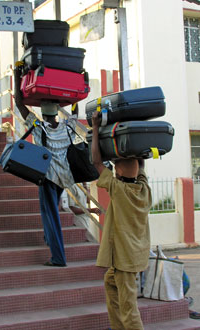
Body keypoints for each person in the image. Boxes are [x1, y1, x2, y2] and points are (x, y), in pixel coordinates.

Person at [91, 111, 152, 330]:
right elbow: (141, 166)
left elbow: (96, 161)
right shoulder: (143, 189)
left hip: (125, 259)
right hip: (134, 255)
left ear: (117, 170)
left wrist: (96, 127)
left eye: (116, 164)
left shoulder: (118, 189)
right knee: (110, 283)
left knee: (128, 306)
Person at [14, 64, 79, 267]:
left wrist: (16, 76)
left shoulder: (38, 126)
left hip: (48, 176)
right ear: (57, 112)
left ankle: (58, 257)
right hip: (65, 177)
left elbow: (19, 103)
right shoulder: (68, 126)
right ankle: (49, 238)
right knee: (52, 209)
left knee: (50, 213)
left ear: (43, 113)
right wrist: (77, 79)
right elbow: (76, 107)